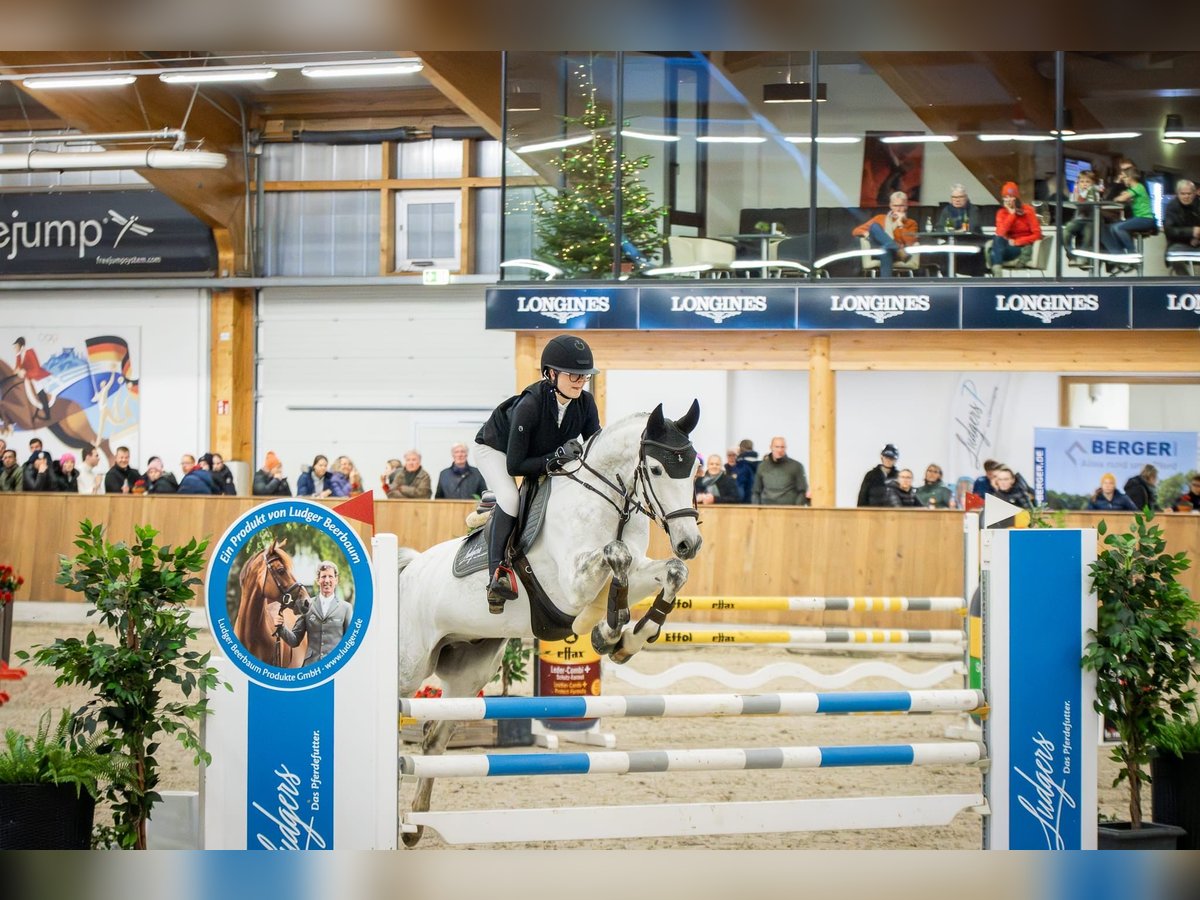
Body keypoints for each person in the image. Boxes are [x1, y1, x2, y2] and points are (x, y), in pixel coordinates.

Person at [474, 333, 601, 614]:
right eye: (573, 376)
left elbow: (594, 450)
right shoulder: (530, 405)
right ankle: (496, 576)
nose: (580, 382)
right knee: (510, 499)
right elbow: (516, 466)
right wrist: (555, 459)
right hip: (496, 450)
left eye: (584, 376)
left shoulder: (586, 403)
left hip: (537, 454)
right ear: (551, 374)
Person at [274, 560, 352, 666]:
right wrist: (281, 627)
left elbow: (350, 642)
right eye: (323, 577)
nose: (327, 580)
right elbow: (294, 640)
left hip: (336, 666)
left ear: (336, 580)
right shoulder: (308, 605)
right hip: (311, 667)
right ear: (317, 580)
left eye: (330, 576)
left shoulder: (346, 608)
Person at [1101, 166, 1155, 273]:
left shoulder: (1138, 187)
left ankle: (1132, 254)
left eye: (1125, 178)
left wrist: (1119, 197)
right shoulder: (1132, 189)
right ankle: (1118, 254)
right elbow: (1124, 196)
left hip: (1146, 219)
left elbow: (1120, 199)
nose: (1123, 180)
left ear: (1131, 177)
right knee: (1109, 227)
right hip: (1138, 218)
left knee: (1118, 228)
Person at [852, 191, 917, 278]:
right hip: (885, 251)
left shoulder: (911, 223)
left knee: (886, 250)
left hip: (895, 254)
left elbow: (910, 242)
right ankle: (896, 249)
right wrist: (865, 233)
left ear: (906, 206)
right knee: (874, 227)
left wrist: (900, 224)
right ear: (890, 206)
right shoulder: (880, 218)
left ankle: (886, 286)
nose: (898, 209)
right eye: (895, 206)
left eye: (901, 206)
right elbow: (856, 231)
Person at [934, 184, 986, 276]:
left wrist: (953, 231)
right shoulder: (947, 210)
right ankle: (949, 283)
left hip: (972, 244)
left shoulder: (973, 209)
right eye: (954, 197)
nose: (957, 200)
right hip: (953, 244)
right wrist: (957, 231)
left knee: (976, 253)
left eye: (960, 197)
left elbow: (972, 227)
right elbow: (939, 228)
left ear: (965, 197)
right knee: (941, 252)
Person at [990, 181, 1042, 272]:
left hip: (1020, 248)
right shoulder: (1001, 213)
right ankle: (998, 274)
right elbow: (1000, 233)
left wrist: (1017, 242)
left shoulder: (1028, 210)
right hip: (1004, 247)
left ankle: (997, 276)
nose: (1009, 200)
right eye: (1006, 197)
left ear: (1017, 198)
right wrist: (1012, 214)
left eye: (1011, 196)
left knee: (994, 253)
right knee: (997, 239)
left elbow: (1037, 235)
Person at [752, 436, 809, 505]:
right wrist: (757, 509)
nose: (779, 450)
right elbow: (756, 491)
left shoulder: (796, 466)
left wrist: (796, 509)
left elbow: (802, 491)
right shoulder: (762, 466)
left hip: (789, 510)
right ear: (771, 447)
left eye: (782, 447)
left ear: (786, 448)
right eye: (777, 447)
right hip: (766, 510)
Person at [1162, 179, 1200, 274]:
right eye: (1183, 194)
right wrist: (1191, 232)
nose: (1186, 196)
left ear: (1194, 193)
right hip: (1178, 243)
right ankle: (1187, 283)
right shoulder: (1171, 207)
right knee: (1174, 255)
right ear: (1177, 194)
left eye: (1189, 194)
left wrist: (1198, 238)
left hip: (1198, 243)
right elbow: (1169, 231)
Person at [12, 336, 53, 422]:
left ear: (20, 345)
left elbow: (36, 369)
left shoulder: (29, 352)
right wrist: (17, 355)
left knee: (41, 394)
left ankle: (47, 415)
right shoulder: (20, 354)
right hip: (30, 378)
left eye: (16, 346)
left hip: (38, 377)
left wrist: (24, 372)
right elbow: (18, 368)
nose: (15, 348)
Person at [1062, 169, 1100, 254]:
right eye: (1082, 181)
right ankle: (1071, 254)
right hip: (1078, 219)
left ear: (1092, 183)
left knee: (1087, 237)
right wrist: (1076, 192)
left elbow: (1089, 204)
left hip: (1090, 220)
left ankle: (1082, 258)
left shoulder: (1094, 192)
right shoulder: (1077, 192)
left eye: (1087, 181)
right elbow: (1073, 202)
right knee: (1065, 232)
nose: (1084, 184)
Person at [857, 443, 900, 507]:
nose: (888, 460)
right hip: (872, 513)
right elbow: (862, 497)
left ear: (895, 460)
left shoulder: (899, 476)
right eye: (886, 457)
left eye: (891, 458)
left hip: (893, 514)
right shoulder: (871, 475)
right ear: (881, 457)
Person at [729, 439, 759, 503]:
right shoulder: (761, 465)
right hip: (758, 504)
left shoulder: (740, 466)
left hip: (744, 504)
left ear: (740, 449)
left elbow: (739, 490)